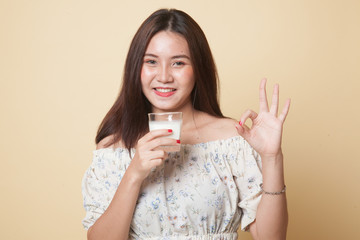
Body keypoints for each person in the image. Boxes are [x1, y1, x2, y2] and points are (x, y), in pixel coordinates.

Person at [82, 8, 290, 240]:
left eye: (178, 63)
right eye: (151, 61)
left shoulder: (232, 139)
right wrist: (134, 173)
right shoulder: (113, 149)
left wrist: (272, 158)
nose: (163, 76)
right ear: (135, 68)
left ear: (198, 69)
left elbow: (272, 237)